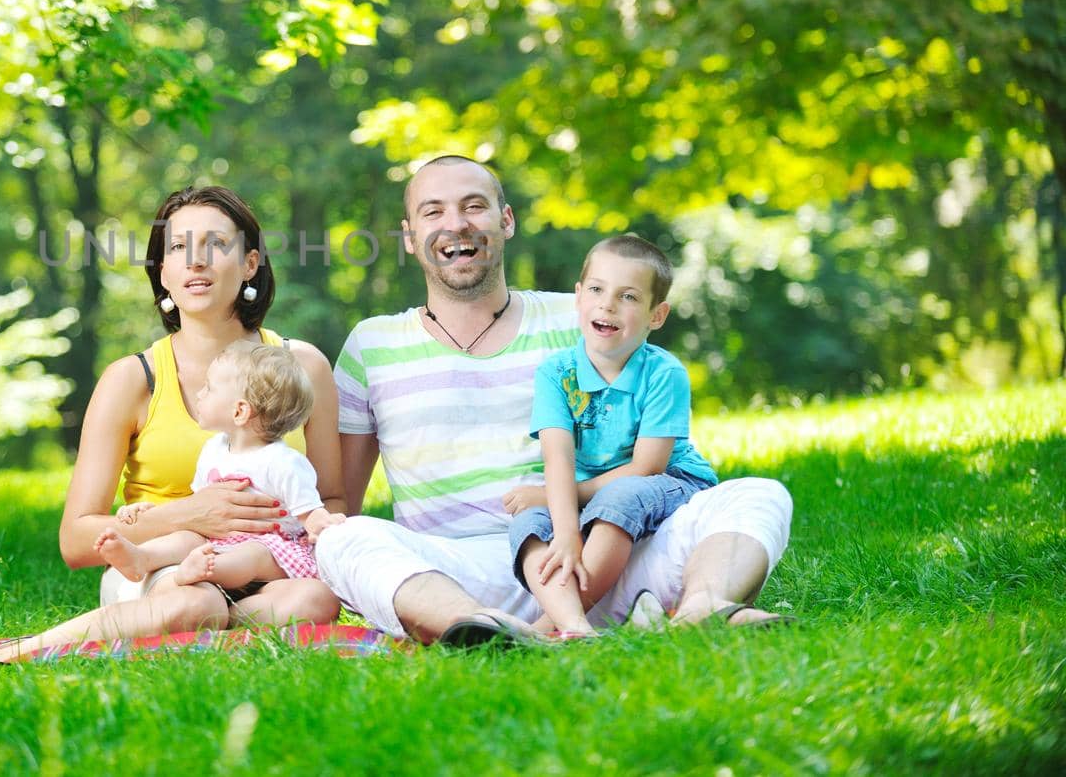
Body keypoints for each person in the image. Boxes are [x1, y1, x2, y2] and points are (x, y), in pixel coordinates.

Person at [314, 155, 794, 646]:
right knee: (343, 539)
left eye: (474, 206)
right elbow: (341, 506)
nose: (456, 224)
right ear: (410, 236)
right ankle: (489, 630)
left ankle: (701, 608)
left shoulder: (582, 317)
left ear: (506, 220)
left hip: (597, 557)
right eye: (433, 212)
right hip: (454, 573)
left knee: (756, 494)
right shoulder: (372, 344)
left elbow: (655, 459)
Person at [0, 186, 344, 662]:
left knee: (316, 602)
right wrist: (191, 515)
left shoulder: (302, 366)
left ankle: (212, 631)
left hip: (268, 565)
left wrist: (277, 545)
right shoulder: (131, 380)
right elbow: (75, 540)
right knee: (195, 602)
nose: (196, 261)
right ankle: (18, 651)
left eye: (215, 244)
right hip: (163, 565)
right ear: (163, 272)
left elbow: (336, 500)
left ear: (250, 263)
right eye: (177, 248)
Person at [503, 234, 719, 638]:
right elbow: (559, 460)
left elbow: (646, 467)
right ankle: (574, 627)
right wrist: (565, 529)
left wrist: (561, 497)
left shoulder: (663, 373)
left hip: (669, 481)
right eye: (598, 290)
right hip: (594, 489)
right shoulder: (557, 372)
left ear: (657, 315)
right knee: (528, 523)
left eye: (629, 297)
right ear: (579, 297)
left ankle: (545, 627)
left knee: (618, 497)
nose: (608, 304)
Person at [96, 341, 346, 591]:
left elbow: (309, 512)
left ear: (239, 411)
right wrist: (149, 512)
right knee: (187, 538)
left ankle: (208, 572)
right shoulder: (214, 450)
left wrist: (323, 525)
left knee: (253, 554)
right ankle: (141, 558)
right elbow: (198, 506)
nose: (199, 394)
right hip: (218, 539)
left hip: (272, 548)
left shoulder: (283, 463)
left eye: (209, 388)